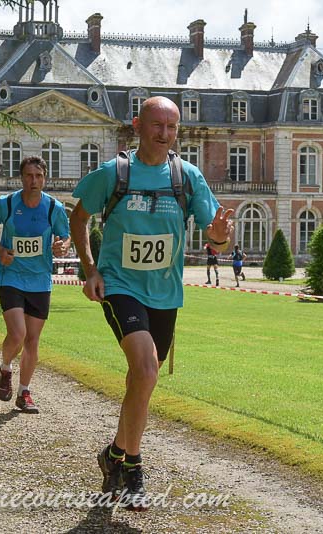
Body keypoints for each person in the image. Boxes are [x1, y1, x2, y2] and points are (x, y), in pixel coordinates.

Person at [70, 96, 233, 508]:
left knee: (141, 379)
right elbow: (79, 216)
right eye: (157, 125)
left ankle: (113, 454)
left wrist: (218, 236)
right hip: (120, 285)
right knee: (145, 369)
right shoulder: (114, 173)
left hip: (165, 292)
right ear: (137, 125)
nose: (164, 133)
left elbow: (216, 237)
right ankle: (133, 469)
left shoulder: (186, 177)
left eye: (171, 127)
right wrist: (91, 270)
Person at [0, 155, 71, 414]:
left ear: (45, 178)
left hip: (40, 279)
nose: (34, 181)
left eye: (39, 176)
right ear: (21, 178)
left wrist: (62, 246)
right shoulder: (7, 204)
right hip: (11, 276)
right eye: (29, 176)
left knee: (32, 340)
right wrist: (0, 249)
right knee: (18, 334)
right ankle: (5, 367)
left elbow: (65, 237)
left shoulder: (54, 207)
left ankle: (24, 392)